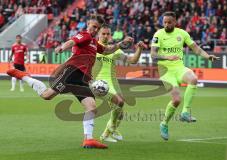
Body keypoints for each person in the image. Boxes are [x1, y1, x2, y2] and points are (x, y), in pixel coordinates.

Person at [7, 15, 134, 149]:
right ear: (88, 24)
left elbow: (108, 50)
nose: (95, 29)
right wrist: (62, 47)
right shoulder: (84, 35)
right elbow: (72, 41)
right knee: (46, 95)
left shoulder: (94, 43)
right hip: (72, 73)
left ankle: (88, 140)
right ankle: (25, 76)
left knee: (91, 106)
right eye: (93, 26)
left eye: (97, 28)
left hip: (84, 79)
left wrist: (121, 43)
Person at [150, 11, 219, 141]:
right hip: (165, 70)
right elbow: (153, 54)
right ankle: (164, 123)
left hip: (179, 68)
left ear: (175, 22)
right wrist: (167, 57)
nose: (166, 24)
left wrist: (208, 56)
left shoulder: (182, 33)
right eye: (164, 22)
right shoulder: (158, 34)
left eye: (169, 22)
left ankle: (185, 112)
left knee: (193, 79)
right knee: (176, 100)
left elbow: (196, 49)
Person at [92, 25, 146, 142]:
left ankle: (107, 134)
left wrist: (139, 49)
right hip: (97, 84)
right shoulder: (94, 47)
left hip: (112, 82)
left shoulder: (114, 50)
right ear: (98, 35)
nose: (106, 36)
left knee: (120, 113)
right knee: (119, 102)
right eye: (103, 34)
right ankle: (111, 127)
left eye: (108, 34)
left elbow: (132, 61)